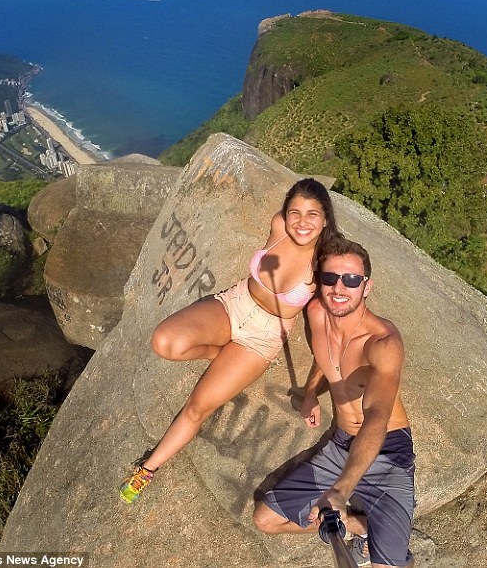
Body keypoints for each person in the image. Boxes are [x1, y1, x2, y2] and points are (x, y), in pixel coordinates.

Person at [120, 178, 341, 503]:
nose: (301, 222)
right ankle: (220, 354)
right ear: (285, 212)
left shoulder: (325, 263)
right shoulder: (279, 226)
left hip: (261, 338)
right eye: (295, 212)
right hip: (233, 304)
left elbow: (328, 333)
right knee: (164, 342)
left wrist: (310, 394)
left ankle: (146, 470)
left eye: (312, 214)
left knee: (197, 407)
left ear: (325, 219)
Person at [253, 237, 415, 568]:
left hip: (386, 452)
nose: (339, 288)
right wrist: (311, 393)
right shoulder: (316, 313)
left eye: (351, 280)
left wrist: (340, 490)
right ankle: (361, 526)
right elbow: (326, 356)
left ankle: (384, 538)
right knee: (266, 520)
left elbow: (377, 417)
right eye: (330, 278)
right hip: (341, 445)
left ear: (367, 287)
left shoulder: (382, 342)